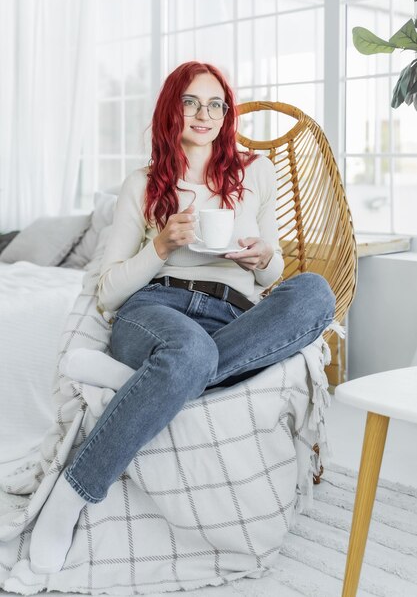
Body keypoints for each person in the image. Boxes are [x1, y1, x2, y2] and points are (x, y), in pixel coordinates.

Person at [29, 61, 336, 574]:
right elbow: (106, 293)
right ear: (173, 109)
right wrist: (161, 247)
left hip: (232, 317)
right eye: (192, 101)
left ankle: (151, 382)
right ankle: (73, 490)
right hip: (157, 308)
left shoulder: (254, 171)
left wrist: (263, 259)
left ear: (226, 113)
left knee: (313, 292)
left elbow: (273, 269)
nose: (205, 113)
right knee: (190, 352)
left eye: (216, 103)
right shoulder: (144, 183)